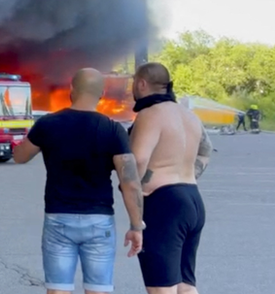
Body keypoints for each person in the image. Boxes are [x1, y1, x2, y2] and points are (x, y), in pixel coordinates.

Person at [13, 68, 145, 294]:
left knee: (58, 290)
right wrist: (136, 226)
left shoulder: (48, 124)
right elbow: (130, 182)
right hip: (99, 220)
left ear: (71, 90)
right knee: (98, 290)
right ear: (102, 93)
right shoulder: (113, 129)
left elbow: (19, 156)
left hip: (58, 218)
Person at [129, 62, 210, 294]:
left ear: (142, 84)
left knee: (161, 288)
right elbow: (206, 151)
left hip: (164, 204)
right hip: (192, 198)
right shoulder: (189, 116)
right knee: (185, 285)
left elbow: (139, 161)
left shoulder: (149, 115)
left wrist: (138, 189)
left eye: (133, 84)